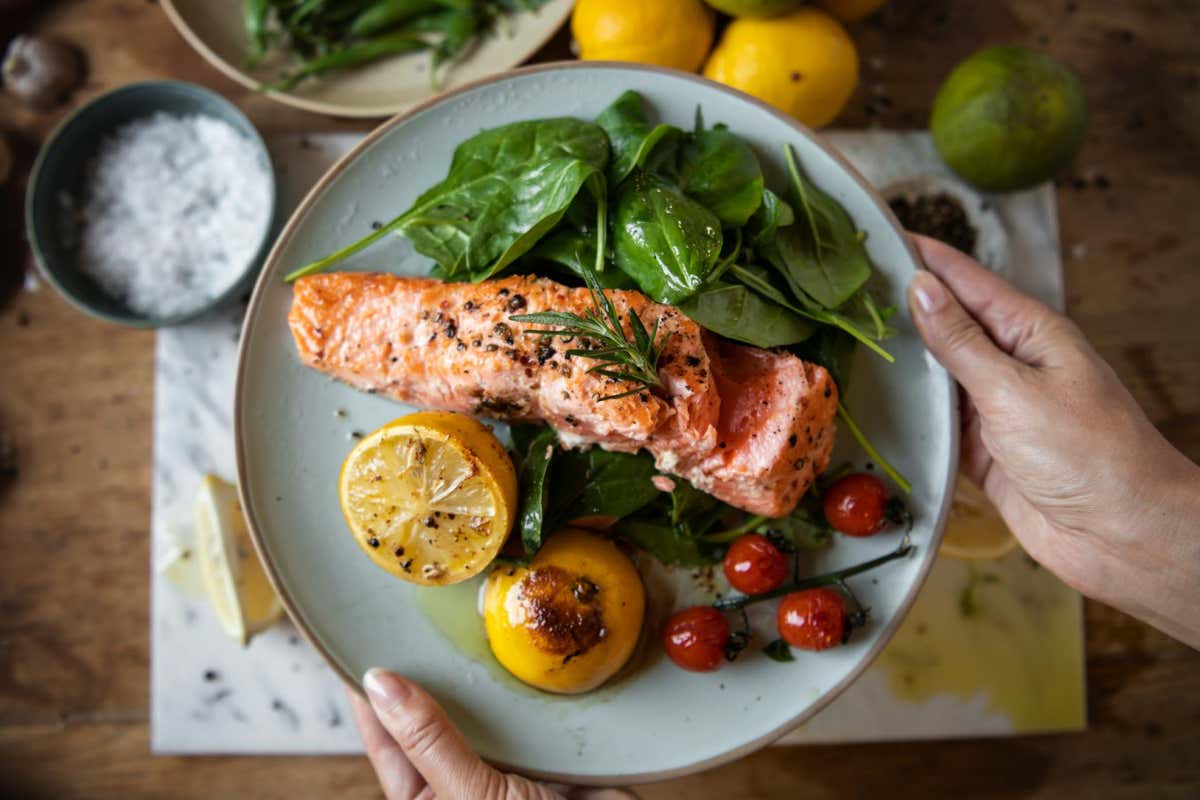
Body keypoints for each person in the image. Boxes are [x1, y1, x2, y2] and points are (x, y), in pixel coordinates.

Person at [348, 236, 1200, 799]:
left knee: (633, 396)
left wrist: (1146, 528)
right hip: (613, 370)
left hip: (683, 399)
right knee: (515, 357)